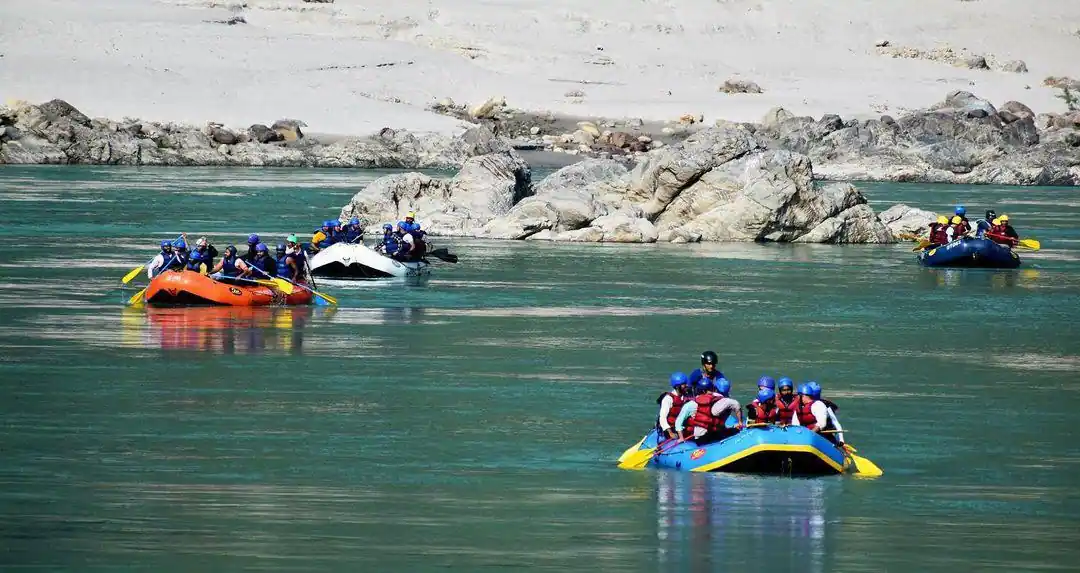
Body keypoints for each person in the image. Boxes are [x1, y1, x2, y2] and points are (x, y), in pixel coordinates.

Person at [674, 378, 744, 444]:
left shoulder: (690, 404)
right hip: (709, 436)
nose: (712, 392)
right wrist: (740, 422)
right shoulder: (717, 398)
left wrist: (681, 438)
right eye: (711, 389)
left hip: (704, 437)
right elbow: (735, 404)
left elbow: (678, 422)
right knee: (733, 431)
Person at [791, 382, 845, 446]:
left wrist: (841, 439)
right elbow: (795, 425)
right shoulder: (798, 408)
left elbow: (832, 422)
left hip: (822, 436)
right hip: (804, 437)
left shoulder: (820, 405)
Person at [656, 372, 692, 440]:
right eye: (684, 384)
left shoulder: (685, 396)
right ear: (677, 386)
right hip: (671, 428)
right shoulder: (668, 399)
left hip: (680, 426)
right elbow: (662, 418)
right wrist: (670, 433)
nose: (686, 385)